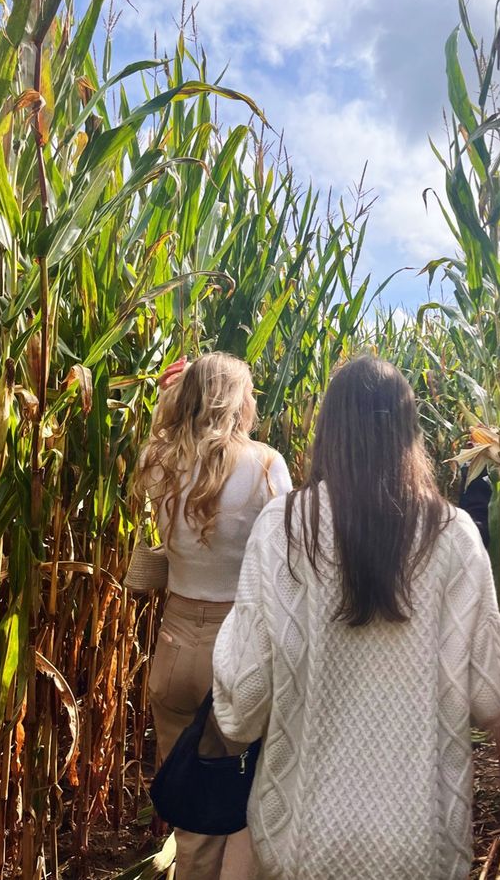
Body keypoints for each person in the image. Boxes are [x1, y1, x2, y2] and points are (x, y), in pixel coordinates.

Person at [212, 356, 500, 880]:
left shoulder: (282, 527)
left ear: (328, 432)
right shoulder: (456, 535)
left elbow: (241, 710)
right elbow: (494, 698)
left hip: (300, 844)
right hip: (423, 845)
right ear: (409, 434)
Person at [134, 352, 292, 880]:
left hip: (175, 645)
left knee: (195, 814)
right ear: (236, 401)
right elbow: (288, 565)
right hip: (240, 648)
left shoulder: (156, 461)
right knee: (246, 799)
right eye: (248, 394)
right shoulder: (267, 465)